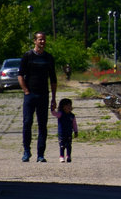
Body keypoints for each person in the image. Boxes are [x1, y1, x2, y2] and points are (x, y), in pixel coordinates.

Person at [18, 31, 57, 162]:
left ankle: (41, 154)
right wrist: (26, 91)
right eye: (40, 39)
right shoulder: (28, 56)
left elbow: (53, 79)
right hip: (30, 95)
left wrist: (53, 98)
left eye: (44, 39)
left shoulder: (49, 58)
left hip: (43, 95)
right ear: (35, 41)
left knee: (42, 125)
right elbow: (20, 75)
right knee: (27, 122)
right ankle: (26, 151)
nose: (42, 42)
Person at [52, 97, 78, 163]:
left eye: (70, 105)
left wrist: (76, 131)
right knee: (62, 145)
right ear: (63, 107)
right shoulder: (60, 114)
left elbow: (74, 124)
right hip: (62, 133)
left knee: (69, 145)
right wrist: (52, 108)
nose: (69, 107)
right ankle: (61, 156)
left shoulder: (72, 116)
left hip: (69, 132)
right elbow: (54, 113)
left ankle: (68, 156)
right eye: (67, 105)